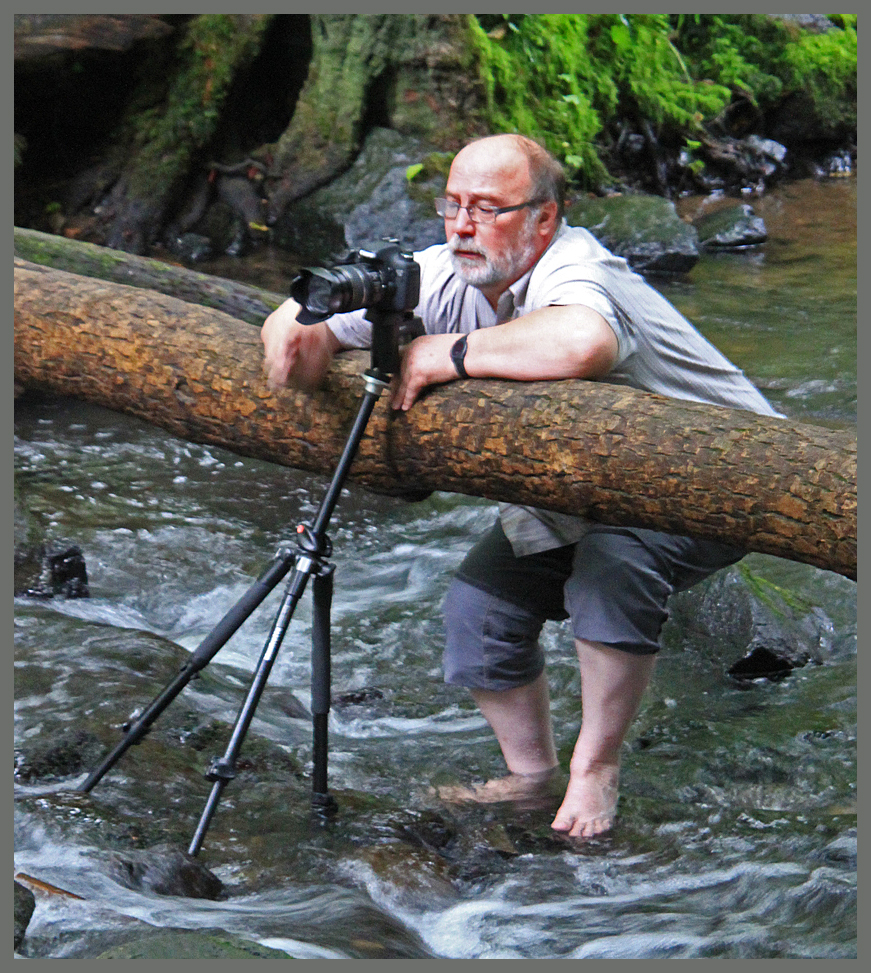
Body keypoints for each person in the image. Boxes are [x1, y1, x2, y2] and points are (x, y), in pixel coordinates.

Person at [261, 133, 781, 839]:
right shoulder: (448, 269)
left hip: (729, 477)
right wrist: (299, 333)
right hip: (587, 488)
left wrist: (450, 351)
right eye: (452, 205)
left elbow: (581, 341)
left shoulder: (576, 263)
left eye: (488, 208)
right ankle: (530, 777)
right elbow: (315, 311)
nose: (463, 225)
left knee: (611, 568)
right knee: (478, 611)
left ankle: (595, 768)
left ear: (543, 216)